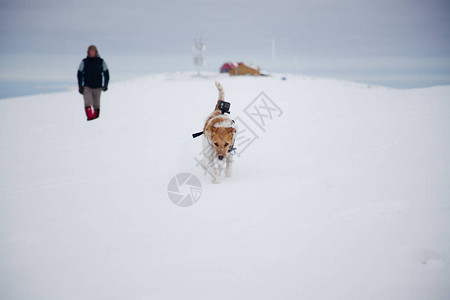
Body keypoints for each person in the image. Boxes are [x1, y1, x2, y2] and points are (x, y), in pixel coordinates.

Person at [77, 45, 109, 121]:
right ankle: (89, 117)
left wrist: (105, 84)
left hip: (98, 86)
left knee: (96, 104)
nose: (92, 53)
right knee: (87, 102)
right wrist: (80, 85)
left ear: (96, 52)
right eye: (91, 51)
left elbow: (106, 73)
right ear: (88, 52)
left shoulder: (101, 61)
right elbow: (79, 73)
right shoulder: (84, 62)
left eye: (93, 51)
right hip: (87, 86)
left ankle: (95, 119)